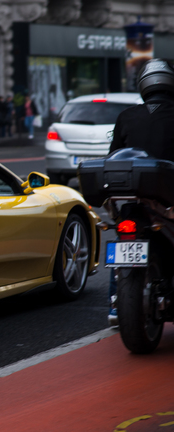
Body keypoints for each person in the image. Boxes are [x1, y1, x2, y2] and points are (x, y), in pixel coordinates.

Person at [106, 58, 174, 326]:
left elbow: (113, 156)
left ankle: (114, 303)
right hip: (168, 198)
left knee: (124, 237)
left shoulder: (126, 116)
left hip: (133, 199)